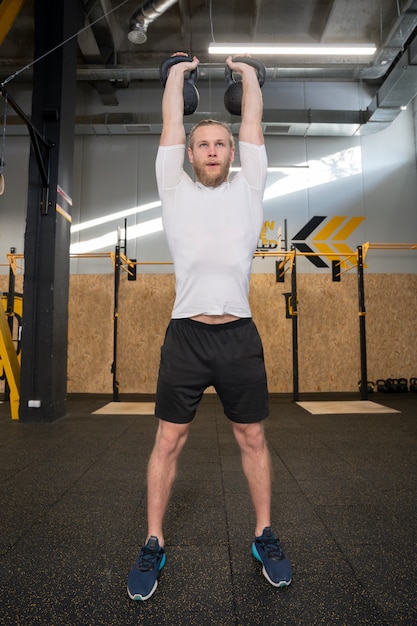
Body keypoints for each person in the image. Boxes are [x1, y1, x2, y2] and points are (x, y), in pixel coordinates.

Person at [127, 52, 292, 602]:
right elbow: (172, 124)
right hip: (187, 337)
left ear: (232, 153)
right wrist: (177, 75)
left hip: (239, 336)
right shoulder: (174, 194)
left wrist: (245, 75)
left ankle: (264, 534)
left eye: (222, 143)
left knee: (252, 435)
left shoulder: (250, 191)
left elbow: (254, 126)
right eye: (204, 144)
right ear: (192, 156)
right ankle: (153, 540)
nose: (214, 149)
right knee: (168, 440)